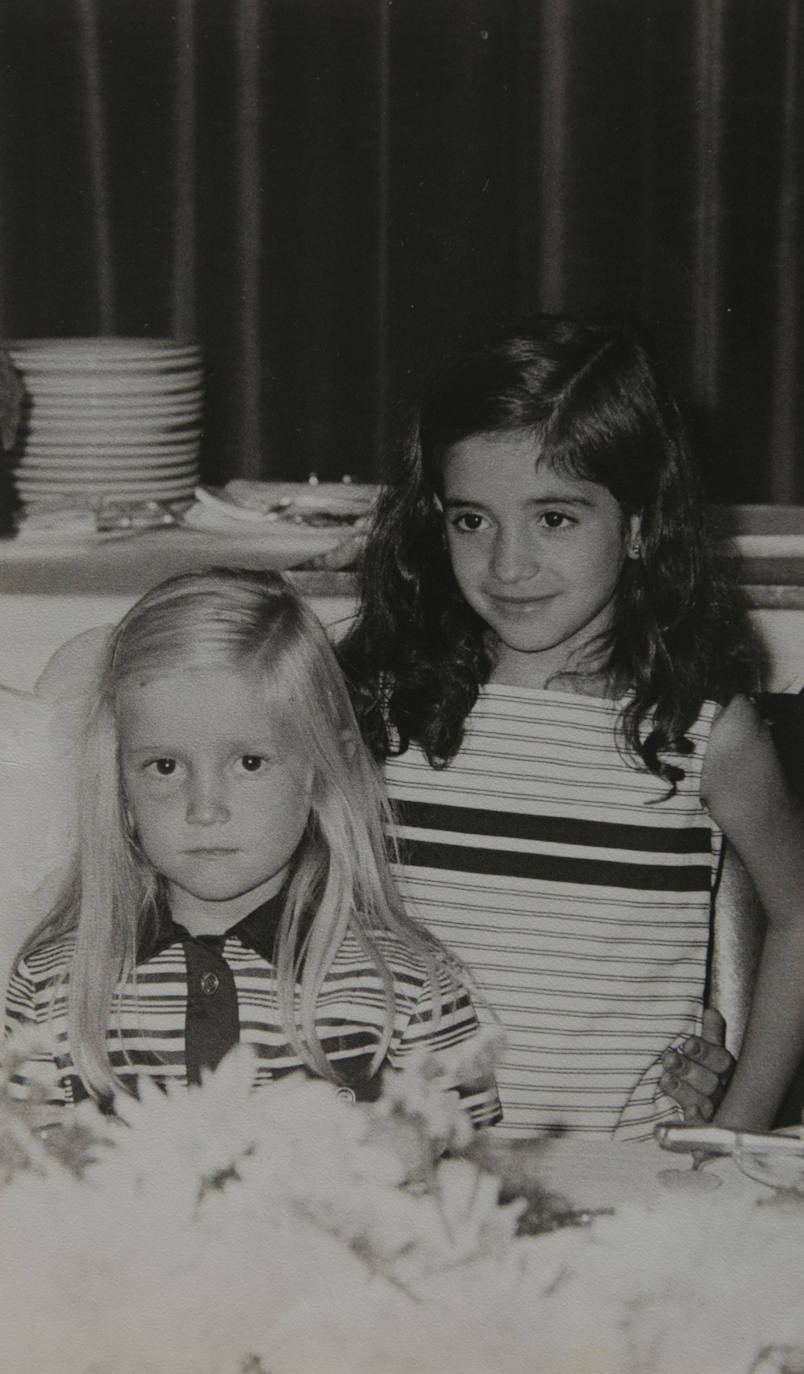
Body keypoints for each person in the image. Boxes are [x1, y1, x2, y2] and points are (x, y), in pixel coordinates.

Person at [338, 316, 804, 1139]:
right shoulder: (384, 706)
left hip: (618, 1180)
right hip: (406, 1170)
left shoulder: (702, 731)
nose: (508, 565)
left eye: (554, 518)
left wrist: (735, 1126)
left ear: (637, 525)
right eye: (470, 520)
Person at [4, 568, 500, 1128]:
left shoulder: (411, 988)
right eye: (165, 766)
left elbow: (466, 1183)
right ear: (118, 781)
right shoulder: (54, 982)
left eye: (249, 763)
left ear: (321, 772)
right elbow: (23, 1186)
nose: (205, 808)